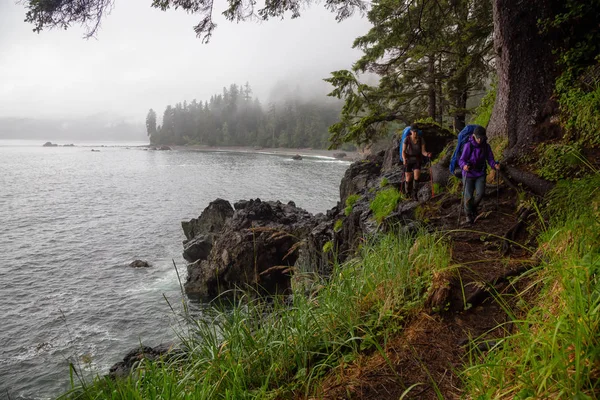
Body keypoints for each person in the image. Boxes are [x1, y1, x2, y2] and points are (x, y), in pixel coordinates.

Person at [458, 126, 500, 224]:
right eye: (478, 137)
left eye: (481, 137)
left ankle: (472, 209)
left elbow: (490, 159)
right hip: (468, 173)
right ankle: (468, 215)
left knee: (480, 194)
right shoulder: (468, 146)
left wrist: (495, 165)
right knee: (468, 196)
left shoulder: (486, 146)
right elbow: (461, 160)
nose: (480, 140)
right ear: (474, 136)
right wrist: (464, 166)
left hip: (480, 173)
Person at [402, 125, 432, 199]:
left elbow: (423, 151)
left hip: (417, 159)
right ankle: (407, 193)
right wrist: (404, 159)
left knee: (417, 176)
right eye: (414, 131)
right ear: (411, 132)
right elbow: (403, 151)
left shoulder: (421, 140)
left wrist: (427, 154)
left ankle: (414, 194)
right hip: (408, 159)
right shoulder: (407, 139)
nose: (415, 133)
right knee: (408, 178)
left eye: (416, 131)